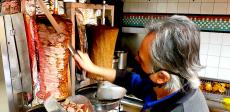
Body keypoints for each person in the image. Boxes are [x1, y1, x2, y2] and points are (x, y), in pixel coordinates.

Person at [73, 15, 209, 112]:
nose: (136, 59)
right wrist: (92, 68)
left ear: (161, 77)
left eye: (141, 60)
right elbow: (128, 79)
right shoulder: (169, 86)